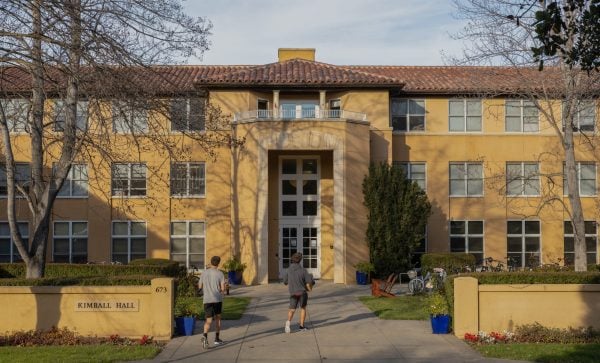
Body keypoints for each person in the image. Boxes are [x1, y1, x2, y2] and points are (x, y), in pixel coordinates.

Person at [198, 255, 226, 349]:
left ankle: (205, 336)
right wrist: (222, 291)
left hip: (207, 299)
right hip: (217, 299)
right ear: (218, 263)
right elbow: (222, 289)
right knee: (218, 318)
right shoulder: (220, 274)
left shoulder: (204, 273)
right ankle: (217, 339)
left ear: (211, 262)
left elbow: (200, 287)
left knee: (208, 320)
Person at [283, 252, 314, 333]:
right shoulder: (303, 270)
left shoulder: (288, 270)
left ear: (292, 259)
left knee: (292, 309)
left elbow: (285, 281)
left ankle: (288, 323)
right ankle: (301, 326)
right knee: (303, 308)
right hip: (302, 293)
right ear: (300, 260)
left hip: (293, 293)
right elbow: (309, 281)